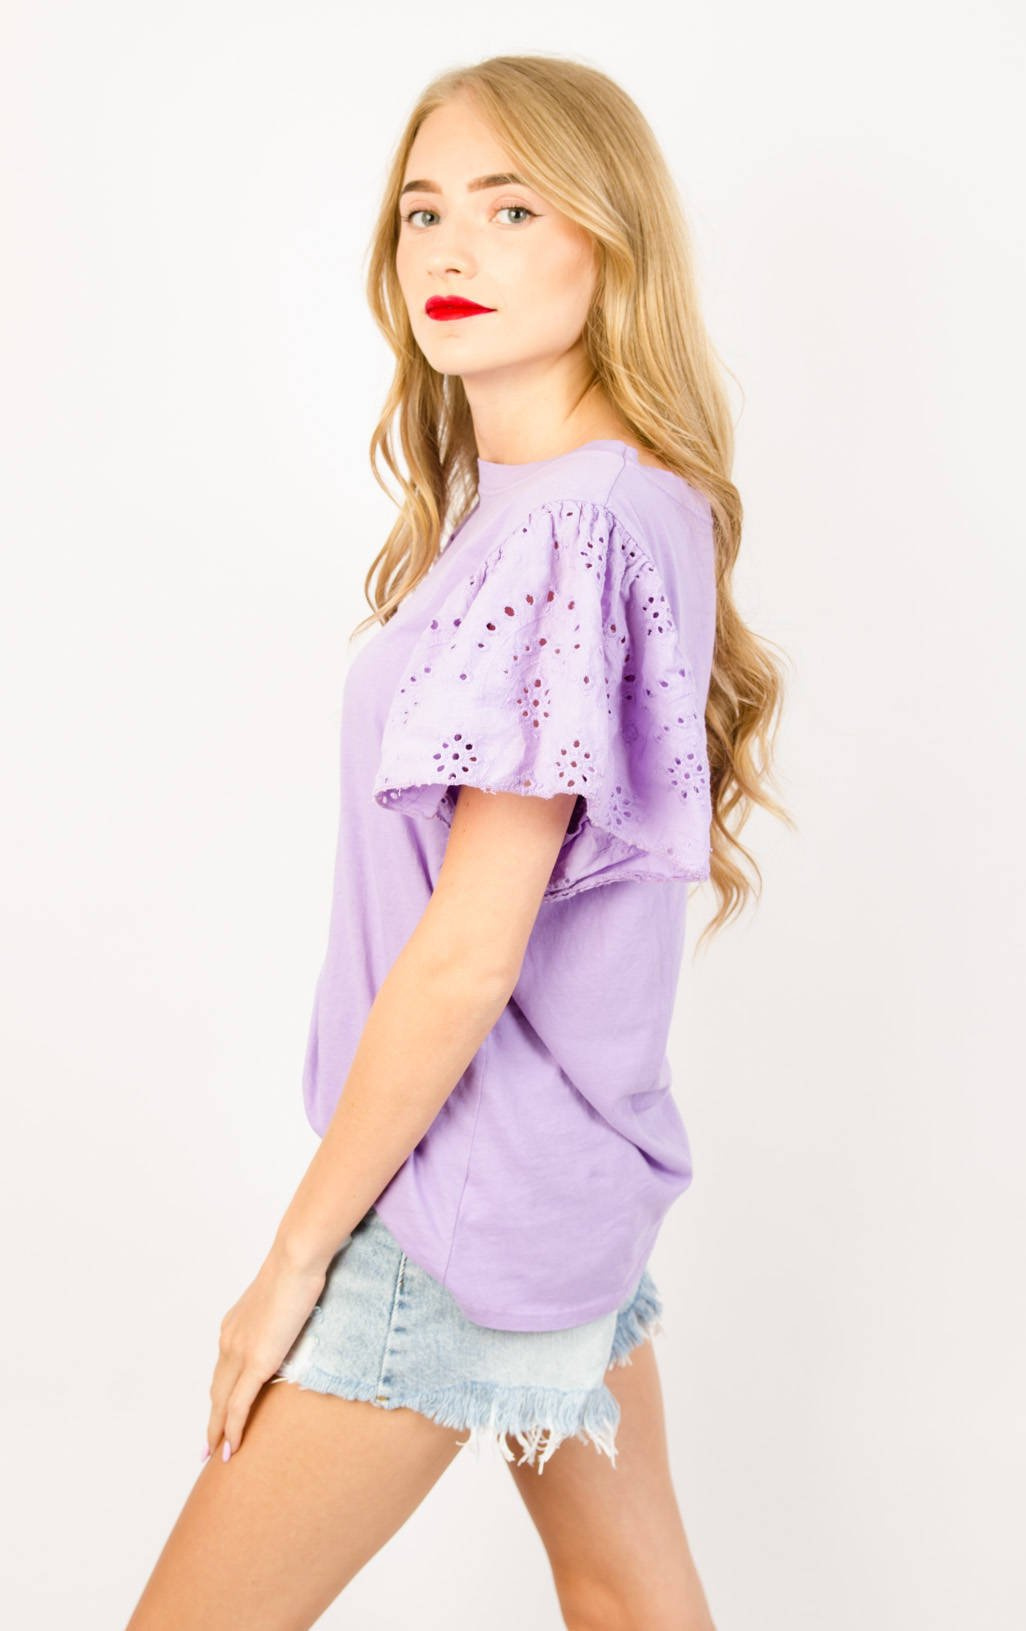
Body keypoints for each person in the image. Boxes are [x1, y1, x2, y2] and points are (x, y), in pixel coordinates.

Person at [125, 53, 789, 1631]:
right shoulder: (626, 498)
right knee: (628, 1595)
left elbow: (468, 952)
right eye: (423, 212)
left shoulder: (571, 525)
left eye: (511, 208)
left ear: (609, 239)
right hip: (567, 1177)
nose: (452, 250)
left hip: (453, 1204)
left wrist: (295, 1261)